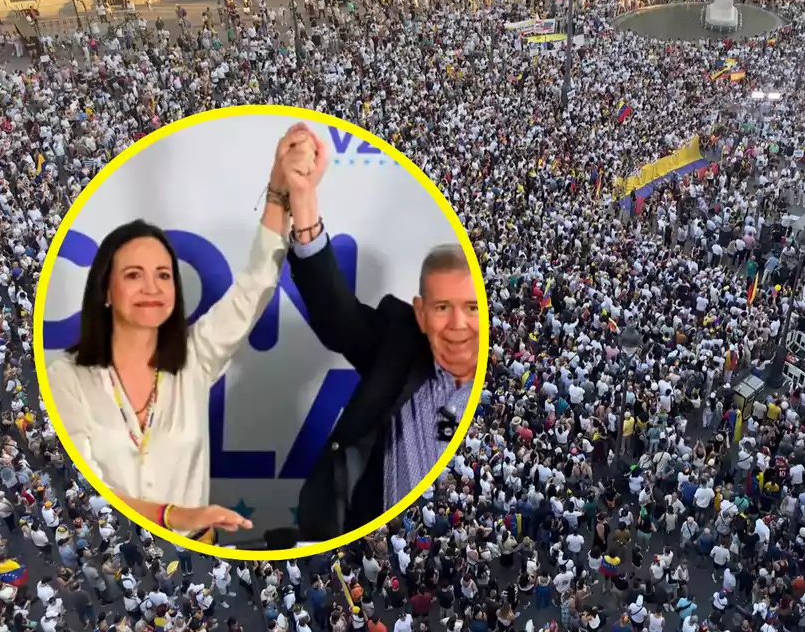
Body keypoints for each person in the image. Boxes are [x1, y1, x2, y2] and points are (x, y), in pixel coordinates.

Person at [44, 125, 316, 539]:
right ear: (105, 290)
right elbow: (86, 491)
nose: (152, 288)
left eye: (164, 275)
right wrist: (171, 516)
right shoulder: (67, 378)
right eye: (134, 275)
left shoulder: (193, 358)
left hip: (197, 557)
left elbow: (254, 286)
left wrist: (280, 192)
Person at [283, 145, 481, 541]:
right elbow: (338, 318)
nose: (458, 325)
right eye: (443, 307)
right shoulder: (399, 341)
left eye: (472, 308)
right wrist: (303, 205)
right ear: (421, 312)